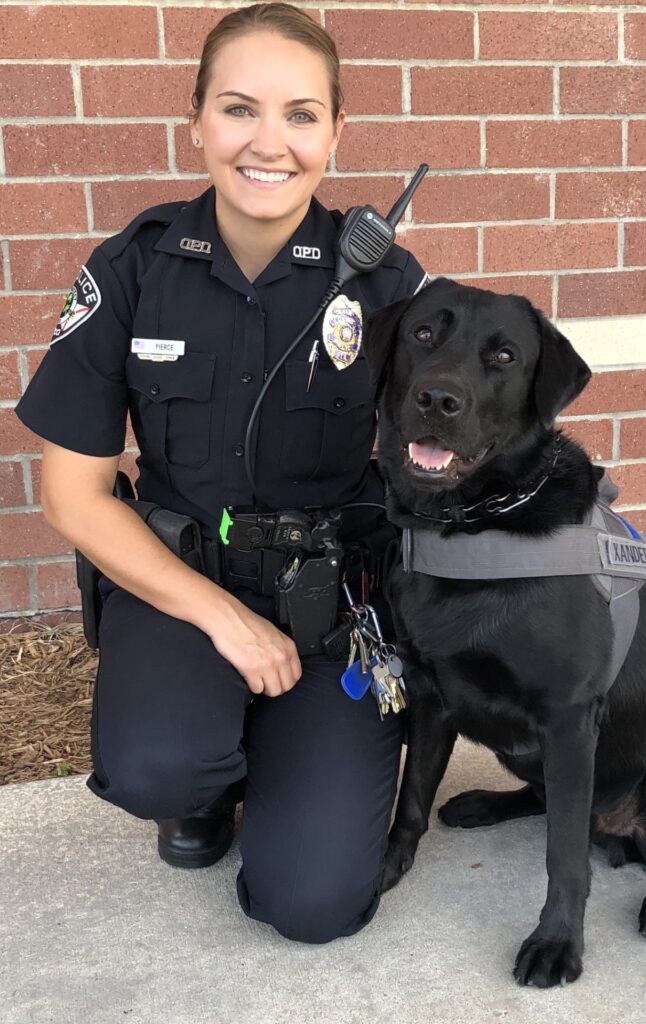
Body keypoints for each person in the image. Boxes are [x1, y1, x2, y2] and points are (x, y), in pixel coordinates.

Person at [15, 2, 428, 944]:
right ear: (196, 118)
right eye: (239, 109)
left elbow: (445, 457)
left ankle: (291, 764)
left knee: (313, 905)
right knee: (158, 762)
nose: (268, 143)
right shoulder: (132, 268)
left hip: (336, 609)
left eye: (300, 114)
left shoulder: (387, 284)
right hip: (182, 590)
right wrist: (225, 620)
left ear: (335, 132)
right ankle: (204, 786)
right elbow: (72, 495)